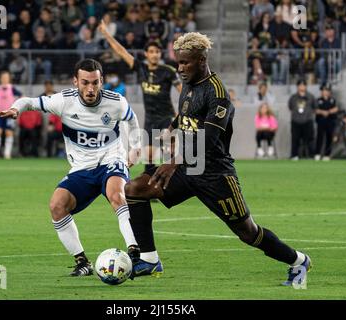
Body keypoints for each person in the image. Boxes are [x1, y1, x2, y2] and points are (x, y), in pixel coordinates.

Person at [124, 32, 312, 288]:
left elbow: (208, 138)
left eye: (185, 63)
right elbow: (183, 117)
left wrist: (173, 162)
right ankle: (149, 259)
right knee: (135, 189)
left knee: (248, 233)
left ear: (201, 60)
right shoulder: (189, 85)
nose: (180, 69)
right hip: (187, 168)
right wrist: (159, 140)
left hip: (216, 175)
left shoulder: (218, 94)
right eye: (178, 63)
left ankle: (298, 260)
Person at [0, 59, 142, 276]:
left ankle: (134, 252)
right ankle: (83, 262)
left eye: (95, 83)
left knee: (116, 195)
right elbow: (28, 101)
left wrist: (135, 149)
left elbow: (132, 120)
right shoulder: (63, 101)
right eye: (85, 83)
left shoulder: (116, 102)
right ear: (76, 82)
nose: (90, 89)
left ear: (102, 81)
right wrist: (16, 109)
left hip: (111, 160)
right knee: (57, 206)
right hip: (81, 168)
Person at [99, 19, 182, 172]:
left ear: (160, 54)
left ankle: (170, 188)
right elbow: (122, 51)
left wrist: (180, 116)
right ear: (146, 54)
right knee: (149, 159)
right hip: (150, 120)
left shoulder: (168, 71)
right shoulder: (141, 68)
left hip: (167, 118)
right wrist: (106, 34)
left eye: (157, 52)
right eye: (151, 52)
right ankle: (148, 189)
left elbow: (183, 92)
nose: (155, 55)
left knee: (168, 155)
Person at [0, 71, 22, 159]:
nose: (4, 79)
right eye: (3, 77)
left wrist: (16, 108)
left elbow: (21, 96)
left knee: (8, 132)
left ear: (9, 79)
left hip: (9, 114)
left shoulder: (12, 88)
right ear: (1, 79)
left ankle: (7, 154)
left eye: (6, 77)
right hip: (0, 113)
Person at [288, 79, 317, 160]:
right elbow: (290, 107)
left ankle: (311, 155)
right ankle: (294, 155)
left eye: (303, 85)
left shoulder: (310, 97)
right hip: (296, 121)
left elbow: (315, 107)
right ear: (297, 87)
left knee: (310, 139)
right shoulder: (293, 97)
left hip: (307, 121)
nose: (302, 87)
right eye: (300, 85)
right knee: (295, 139)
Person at [314, 84, 339, 161]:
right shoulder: (318, 100)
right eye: (324, 90)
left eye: (327, 90)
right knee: (319, 138)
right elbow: (315, 110)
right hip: (321, 121)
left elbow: (336, 108)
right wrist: (322, 112)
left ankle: (327, 154)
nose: (326, 92)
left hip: (330, 121)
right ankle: (317, 154)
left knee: (329, 138)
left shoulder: (332, 100)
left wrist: (329, 111)